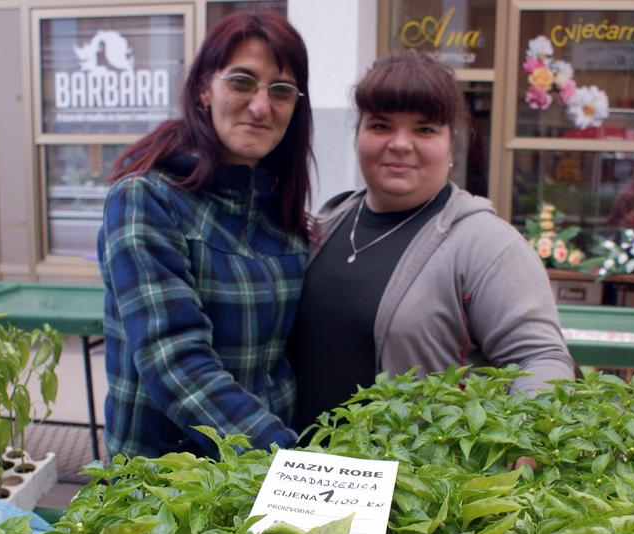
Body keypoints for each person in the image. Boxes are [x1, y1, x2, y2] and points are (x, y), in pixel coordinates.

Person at [289, 51, 574, 434]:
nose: (400, 144)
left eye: (424, 129)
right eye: (381, 126)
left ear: (451, 143)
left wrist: (526, 436)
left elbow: (540, 358)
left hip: (413, 485)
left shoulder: (486, 244)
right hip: (302, 481)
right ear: (359, 134)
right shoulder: (329, 221)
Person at [98, 11, 312, 458]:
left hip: (262, 478)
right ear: (203, 90)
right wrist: (289, 458)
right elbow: (174, 360)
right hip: (168, 492)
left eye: (281, 90)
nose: (260, 105)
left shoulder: (282, 214)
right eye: (241, 81)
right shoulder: (146, 200)